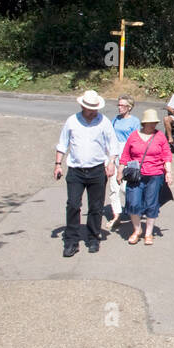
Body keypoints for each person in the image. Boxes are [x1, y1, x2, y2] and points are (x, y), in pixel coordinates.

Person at [54, 89, 118, 257]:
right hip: (76, 170)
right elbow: (62, 144)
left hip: (97, 169)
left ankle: (93, 237)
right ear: (83, 106)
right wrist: (58, 164)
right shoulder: (72, 121)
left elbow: (113, 144)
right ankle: (71, 241)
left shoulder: (104, 122)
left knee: (96, 206)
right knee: (73, 205)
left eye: (95, 108)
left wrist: (111, 162)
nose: (92, 111)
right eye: (89, 107)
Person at [116, 109, 173, 246]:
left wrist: (169, 172)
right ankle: (137, 230)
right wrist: (120, 171)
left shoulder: (160, 136)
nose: (153, 125)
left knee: (151, 204)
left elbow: (166, 155)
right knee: (133, 202)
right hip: (136, 175)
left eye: (154, 122)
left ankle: (148, 233)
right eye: (150, 123)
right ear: (144, 123)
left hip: (155, 175)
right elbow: (125, 155)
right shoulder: (134, 136)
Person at [107, 96, 140, 229]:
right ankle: (117, 215)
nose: (119, 107)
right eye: (119, 105)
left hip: (128, 154)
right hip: (114, 153)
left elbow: (137, 140)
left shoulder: (135, 122)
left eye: (122, 105)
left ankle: (134, 210)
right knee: (113, 187)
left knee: (125, 187)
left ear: (129, 107)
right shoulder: (114, 120)